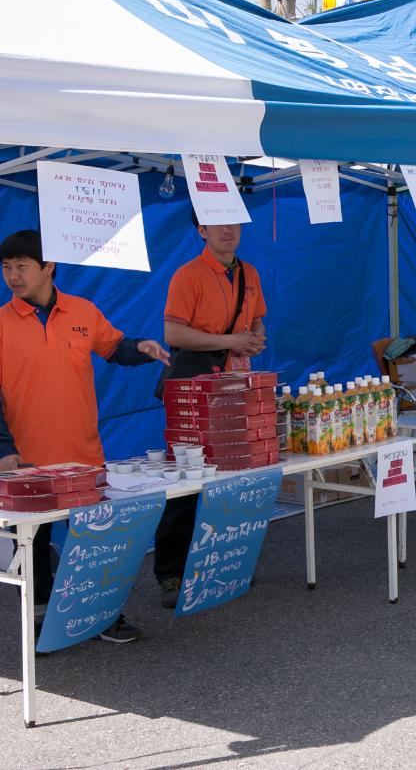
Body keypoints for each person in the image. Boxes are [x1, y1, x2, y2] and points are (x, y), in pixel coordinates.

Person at [0, 230, 169, 644]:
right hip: (27, 460)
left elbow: (114, 347)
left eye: (22, 267)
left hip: (83, 455)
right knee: (34, 547)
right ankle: (42, 624)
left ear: (49, 268)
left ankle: (104, 616)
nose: (13, 276)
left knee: (97, 543)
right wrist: (1, 450)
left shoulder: (82, 311)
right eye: (7, 268)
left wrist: (141, 348)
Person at [156, 212, 268, 608]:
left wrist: (253, 341)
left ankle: (225, 559)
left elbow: (257, 324)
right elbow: (173, 334)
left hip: (234, 382)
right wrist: (230, 340)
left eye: (233, 224)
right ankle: (170, 571)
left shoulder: (250, 273)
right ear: (200, 231)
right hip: (191, 384)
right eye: (217, 225)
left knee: (235, 471)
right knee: (187, 475)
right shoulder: (187, 275)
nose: (227, 231)